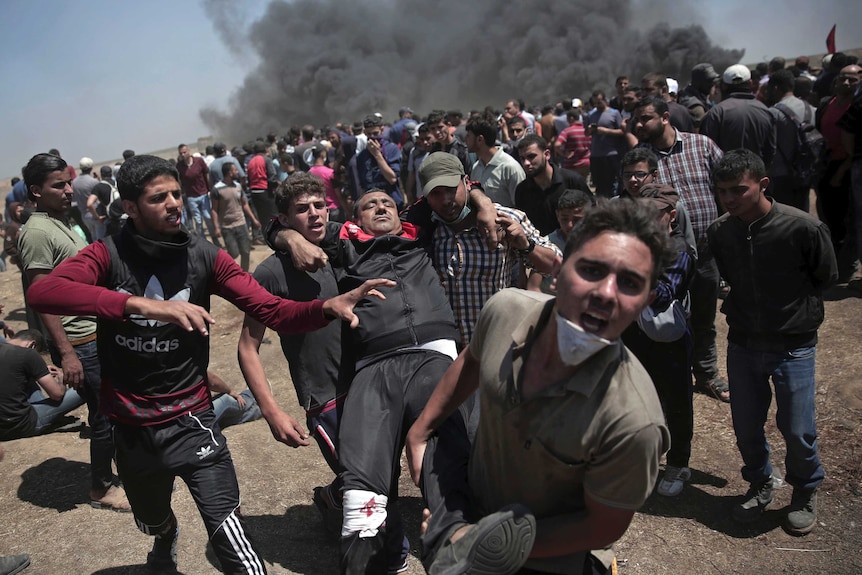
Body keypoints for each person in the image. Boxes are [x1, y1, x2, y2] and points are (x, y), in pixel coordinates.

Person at [26, 154, 392, 575]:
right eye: (158, 197)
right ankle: (165, 537)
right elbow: (43, 294)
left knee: (239, 551)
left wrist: (325, 307)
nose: (173, 204)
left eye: (176, 194)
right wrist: (136, 304)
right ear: (130, 207)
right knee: (151, 519)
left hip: (193, 419)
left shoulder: (204, 255)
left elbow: (272, 310)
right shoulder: (106, 256)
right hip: (131, 424)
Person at [406, 199, 672, 575]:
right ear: (560, 268)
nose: (606, 293)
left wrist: (485, 546)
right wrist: (420, 431)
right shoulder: (505, 309)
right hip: (472, 509)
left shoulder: (633, 420)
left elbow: (604, 525)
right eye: (592, 270)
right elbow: (471, 360)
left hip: (548, 560)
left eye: (629, 283)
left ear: (644, 301)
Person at [708, 148, 837, 535]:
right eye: (722, 191)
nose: (729, 199)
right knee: (746, 425)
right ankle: (761, 480)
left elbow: (824, 277)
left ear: (763, 184)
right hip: (744, 342)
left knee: (797, 427)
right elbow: (726, 274)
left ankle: (805, 489)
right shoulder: (721, 231)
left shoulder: (803, 228)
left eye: (738, 190)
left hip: (792, 345)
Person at [18, 153, 129, 512]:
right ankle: (101, 488)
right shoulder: (36, 232)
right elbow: (41, 297)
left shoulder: (60, 221)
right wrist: (65, 352)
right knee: (103, 414)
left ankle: (122, 472)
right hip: (79, 340)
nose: (68, 190)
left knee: (114, 407)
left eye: (68, 183)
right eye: (58, 185)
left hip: (97, 330)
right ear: (36, 191)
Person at [632, 95, 728, 402]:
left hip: (705, 249)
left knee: (703, 315)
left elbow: (725, 186)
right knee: (670, 314)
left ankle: (707, 373)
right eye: (637, 119)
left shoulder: (702, 145)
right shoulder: (640, 158)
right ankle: (676, 376)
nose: (639, 124)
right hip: (664, 257)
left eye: (645, 118)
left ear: (664, 117)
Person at [621, 184, 696, 497]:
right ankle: (644, 458)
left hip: (668, 339)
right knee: (637, 398)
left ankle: (678, 463)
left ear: (671, 215)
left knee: (676, 400)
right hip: (633, 334)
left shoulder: (678, 250)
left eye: (655, 214)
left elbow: (664, 292)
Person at [0, 329, 86, 441]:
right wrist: (61, 380)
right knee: (88, 385)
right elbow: (57, 395)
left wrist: (36, 371)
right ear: (32, 344)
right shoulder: (28, 354)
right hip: (20, 425)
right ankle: (51, 422)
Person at [515, 134, 591, 235]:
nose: (526, 163)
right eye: (522, 158)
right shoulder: (522, 190)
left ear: (546, 154)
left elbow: (592, 213)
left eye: (531, 156)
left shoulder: (572, 181)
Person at [526, 188, 595, 294]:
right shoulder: (547, 245)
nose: (570, 225)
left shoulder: (596, 245)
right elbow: (533, 287)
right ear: (557, 215)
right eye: (564, 219)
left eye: (577, 220)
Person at [467, 112, 526, 207]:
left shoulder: (510, 168)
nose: (466, 139)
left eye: (468, 136)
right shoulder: (477, 167)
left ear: (480, 139)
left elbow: (522, 207)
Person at [211, 162, 258, 272]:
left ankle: (244, 273)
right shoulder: (217, 189)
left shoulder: (238, 186)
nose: (237, 172)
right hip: (227, 227)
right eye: (235, 170)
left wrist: (254, 219)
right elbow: (214, 209)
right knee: (234, 252)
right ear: (229, 173)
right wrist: (216, 227)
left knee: (246, 251)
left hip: (241, 223)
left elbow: (244, 204)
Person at [356, 115, 403, 207]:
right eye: (369, 134)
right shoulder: (362, 156)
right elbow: (363, 185)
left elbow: (392, 179)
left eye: (375, 133)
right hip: (372, 205)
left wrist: (377, 155)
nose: (372, 137)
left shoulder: (392, 149)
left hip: (391, 202)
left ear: (382, 130)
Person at [586, 90, 626, 198]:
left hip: (611, 154)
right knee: (599, 185)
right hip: (596, 154)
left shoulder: (614, 113)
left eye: (599, 102)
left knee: (613, 184)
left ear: (604, 100)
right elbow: (586, 133)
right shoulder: (591, 114)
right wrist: (590, 130)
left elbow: (622, 132)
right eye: (595, 103)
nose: (597, 105)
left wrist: (605, 131)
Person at [177, 144, 218, 244]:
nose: (183, 155)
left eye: (184, 152)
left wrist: (210, 188)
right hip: (191, 197)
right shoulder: (179, 166)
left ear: (189, 151)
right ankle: (204, 243)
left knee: (208, 218)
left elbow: (206, 173)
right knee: (198, 222)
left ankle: (215, 240)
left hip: (203, 194)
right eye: (181, 153)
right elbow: (179, 181)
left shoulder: (199, 161)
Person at [555, 101, 591, 177]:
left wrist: (563, 154)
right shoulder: (586, 131)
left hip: (572, 164)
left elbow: (557, 145)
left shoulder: (567, 131)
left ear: (571, 118)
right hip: (586, 164)